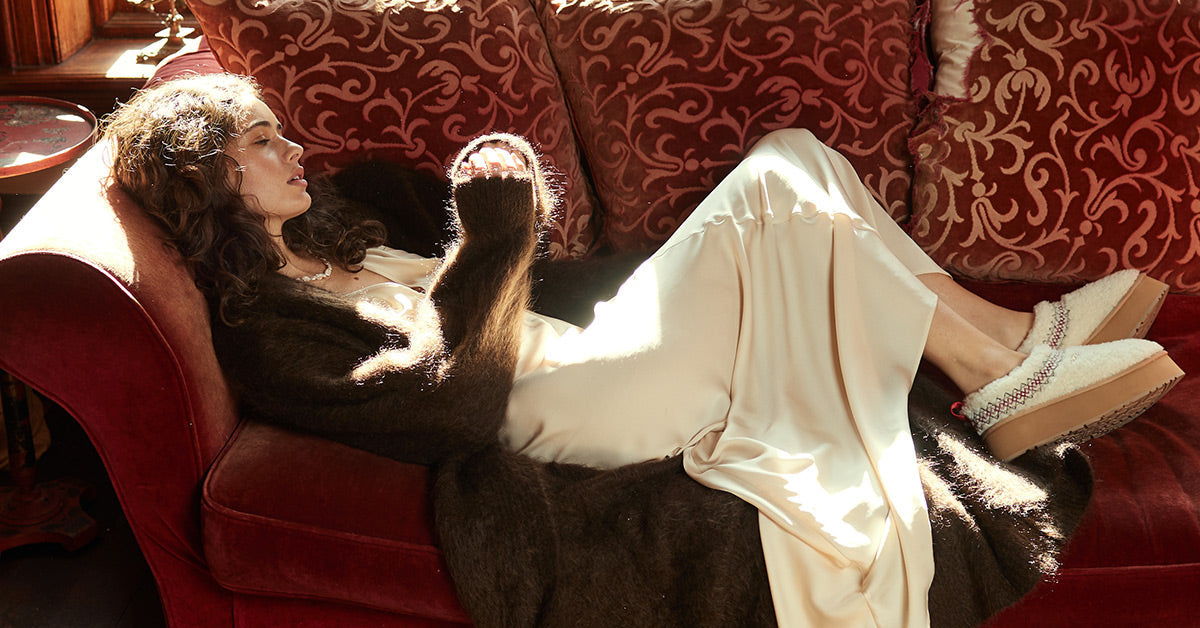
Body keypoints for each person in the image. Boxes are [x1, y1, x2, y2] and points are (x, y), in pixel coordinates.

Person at [102, 73, 1181, 627]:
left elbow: (501, 266)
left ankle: (1020, 339)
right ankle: (1005, 376)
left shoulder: (343, 231)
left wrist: (489, 217)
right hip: (553, 406)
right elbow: (443, 406)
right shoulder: (264, 329)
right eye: (260, 142)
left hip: (584, 354)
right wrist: (492, 237)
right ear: (206, 181)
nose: (293, 148)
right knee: (779, 196)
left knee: (793, 154)